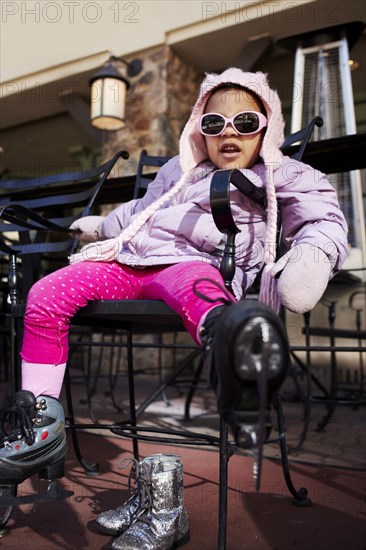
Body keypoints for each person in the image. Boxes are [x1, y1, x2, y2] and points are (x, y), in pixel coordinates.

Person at [0, 69, 348, 549]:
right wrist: (103, 226)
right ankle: (43, 421)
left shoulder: (282, 173)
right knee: (45, 294)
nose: (229, 132)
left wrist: (310, 257)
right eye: (214, 123)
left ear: (266, 126)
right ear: (198, 129)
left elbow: (322, 217)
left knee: (202, 294)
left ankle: (232, 345)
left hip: (194, 264)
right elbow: (142, 211)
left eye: (245, 122)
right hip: (132, 260)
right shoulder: (178, 171)